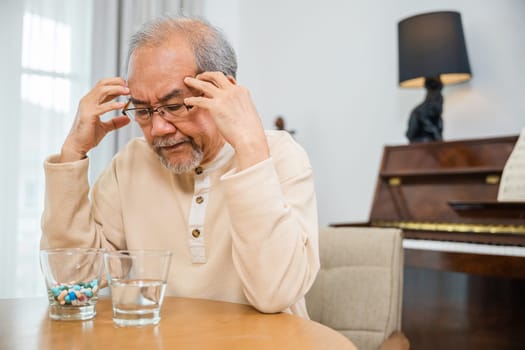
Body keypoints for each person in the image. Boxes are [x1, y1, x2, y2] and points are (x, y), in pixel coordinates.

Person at [41, 15, 320, 319]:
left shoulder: (280, 156)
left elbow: (274, 294)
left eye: (174, 106)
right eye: (143, 111)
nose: (158, 128)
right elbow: (74, 280)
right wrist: (72, 153)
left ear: (224, 92)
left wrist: (250, 148)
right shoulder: (131, 163)